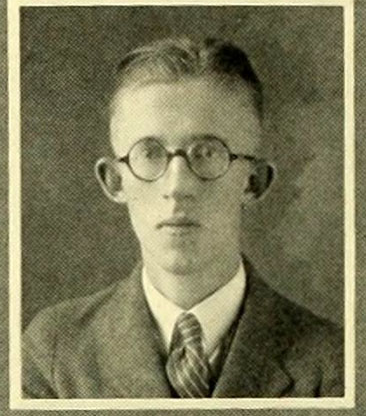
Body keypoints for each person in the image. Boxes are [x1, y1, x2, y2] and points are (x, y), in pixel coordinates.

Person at [22, 37, 343, 399]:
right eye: (149, 153)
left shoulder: (333, 364)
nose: (177, 186)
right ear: (114, 180)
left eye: (207, 152)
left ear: (254, 182)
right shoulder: (53, 353)